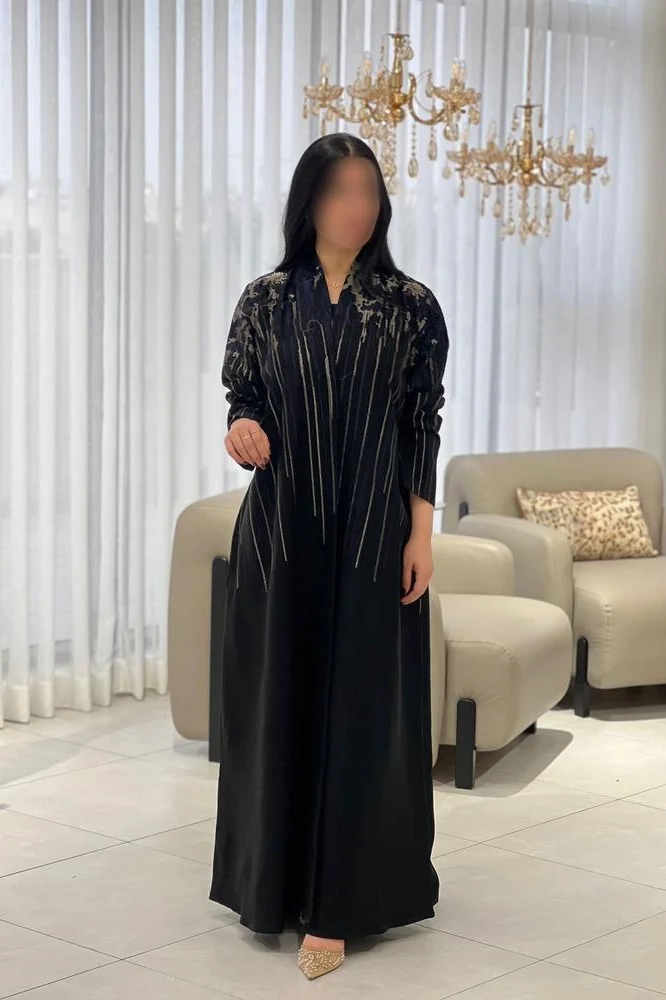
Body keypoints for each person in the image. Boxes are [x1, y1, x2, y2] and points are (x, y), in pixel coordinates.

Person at [209, 132, 449, 981]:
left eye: (368, 191)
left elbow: (421, 425)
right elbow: (243, 398)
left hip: (376, 537)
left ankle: (342, 904)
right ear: (308, 201)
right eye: (340, 190)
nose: (357, 206)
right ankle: (270, 886)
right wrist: (243, 429)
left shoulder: (411, 306)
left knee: (364, 714)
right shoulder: (266, 300)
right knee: (277, 703)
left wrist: (422, 536)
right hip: (282, 535)